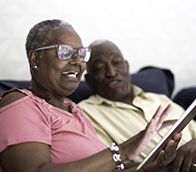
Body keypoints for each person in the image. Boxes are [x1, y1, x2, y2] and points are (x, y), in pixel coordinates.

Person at [0, 19, 181, 172]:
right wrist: (123, 150)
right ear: (34, 59)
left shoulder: (74, 110)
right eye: (65, 52)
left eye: (81, 53)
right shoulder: (20, 104)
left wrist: (151, 167)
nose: (77, 61)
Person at [78, 39, 196, 172]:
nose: (111, 72)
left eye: (117, 62)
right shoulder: (85, 114)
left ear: (127, 66)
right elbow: (104, 167)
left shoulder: (160, 99)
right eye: (100, 67)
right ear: (89, 80)